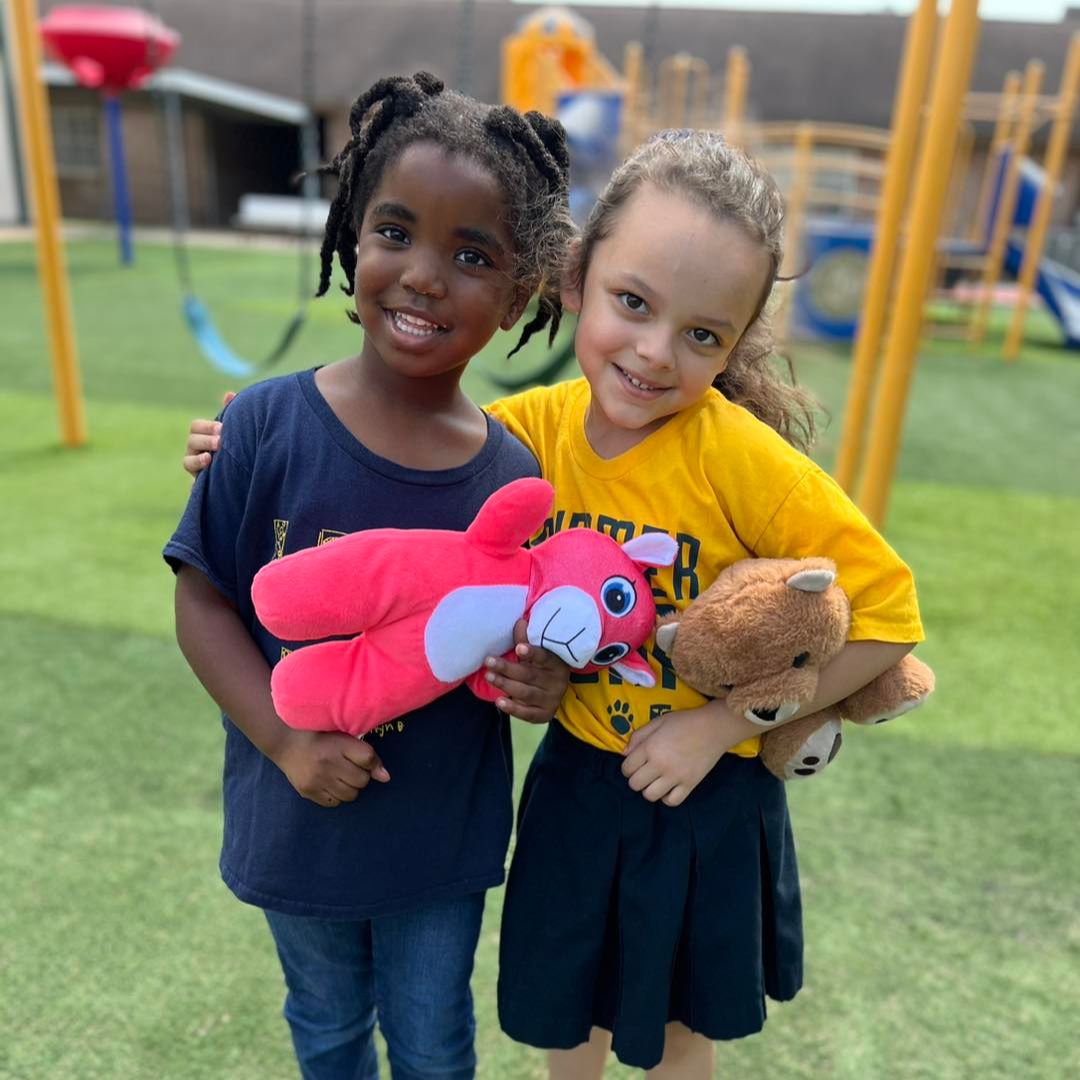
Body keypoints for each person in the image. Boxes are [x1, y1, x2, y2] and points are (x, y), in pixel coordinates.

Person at [184, 129, 925, 1080]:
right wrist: (243, 433)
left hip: (709, 802)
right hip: (578, 785)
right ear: (575, 279)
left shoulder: (747, 462)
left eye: (703, 334)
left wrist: (717, 727)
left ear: (736, 343)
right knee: (562, 1023)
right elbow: (405, 443)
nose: (656, 353)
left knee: (672, 1043)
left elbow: (888, 618)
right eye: (633, 303)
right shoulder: (526, 432)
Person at [164, 72, 576, 1080]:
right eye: (396, 231)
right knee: (327, 1024)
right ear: (352, 236)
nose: (425, 275)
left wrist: (541, 682)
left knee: (434, 1043)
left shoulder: (513, 478)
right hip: (295, 822)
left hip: (439, 847)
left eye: (471, 255)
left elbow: (522, 637)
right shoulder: (262, 424)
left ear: (521, 291)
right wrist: (283, 737)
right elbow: (201, 596)